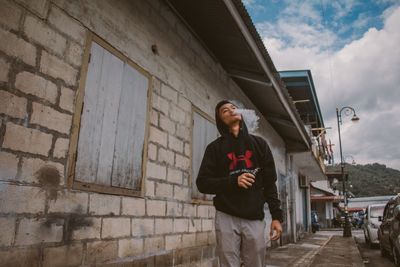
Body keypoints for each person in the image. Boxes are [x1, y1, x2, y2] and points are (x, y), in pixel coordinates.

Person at [196, 100, 283, 267]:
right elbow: (203, 183)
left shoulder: (260, 145)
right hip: (226, 215)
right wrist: (233, 181)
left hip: (254, 217)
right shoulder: (214, 148)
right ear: (220, 120)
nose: (230, 111)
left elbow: (270, 184)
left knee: (256, 264)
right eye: (224, 111)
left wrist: (277, 217)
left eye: (233, 108)